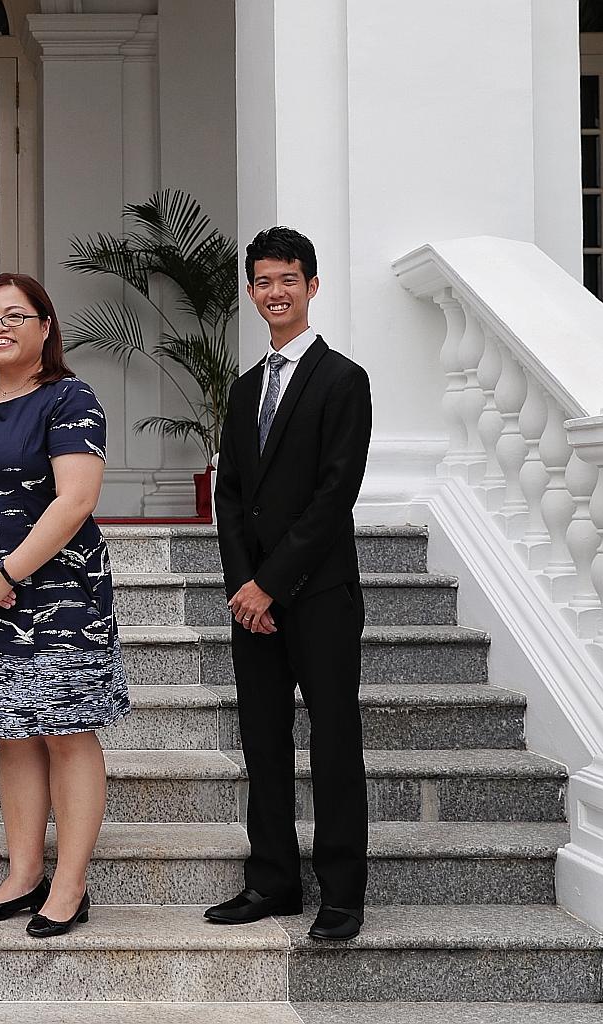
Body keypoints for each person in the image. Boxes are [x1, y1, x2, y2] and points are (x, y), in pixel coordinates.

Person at [0, 272, 128, 939]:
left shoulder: (70, 398)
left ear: (45, 326)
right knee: (12, 732)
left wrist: (8, 570)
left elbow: (75, 499)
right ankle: (22, 873)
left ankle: (69, 882)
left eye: (15, 315)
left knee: (65, 730)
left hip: (63, 592)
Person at [204, 226, 373, 941]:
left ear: (312, 286)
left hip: (320, 595)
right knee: (262, 742)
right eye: (263, 282)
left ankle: (341, 893)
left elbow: (335, 497)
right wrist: (245, 586)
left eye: (288, 280)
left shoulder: (344, 381)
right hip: (255, 605)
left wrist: (270, 583)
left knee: (333, 741)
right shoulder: (244, 390)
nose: (276, 293)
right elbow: (232, 494)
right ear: (252, 292)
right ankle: (272, 881)